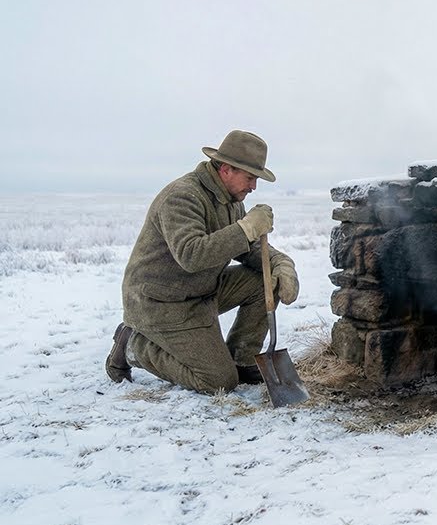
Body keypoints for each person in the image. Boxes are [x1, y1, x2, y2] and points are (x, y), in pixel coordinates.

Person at [105, 130, 300, 393]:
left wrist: (282, 264)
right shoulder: (182, 197)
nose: (253, 187)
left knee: (264, 280)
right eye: (251, 177)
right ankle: (133, 345)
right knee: (218, 382)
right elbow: (191, 255)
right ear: (226, 169)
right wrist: (246, 228)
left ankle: (240, 359)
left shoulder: (231, 201)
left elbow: (250, 249)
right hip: (160, 302)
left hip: (201, 291)